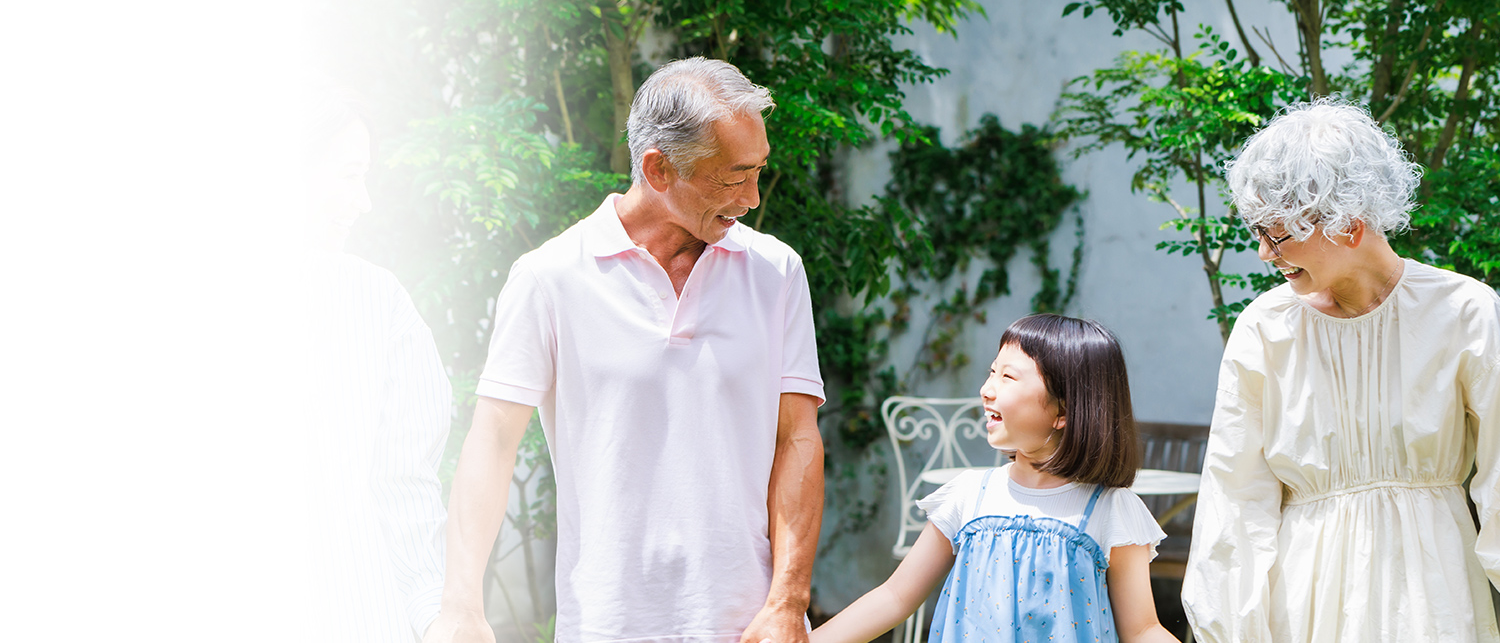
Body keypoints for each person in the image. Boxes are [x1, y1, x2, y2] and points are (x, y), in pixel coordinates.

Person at [428, 57, 826, 643]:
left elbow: (797, 437)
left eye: (759, 170)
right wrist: (461, 604)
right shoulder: (550, 277)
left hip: (750, 626)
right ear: (659, 169)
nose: (752, 196)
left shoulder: (776, 271)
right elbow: (493, 439)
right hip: (606, 623)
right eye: (733, 176)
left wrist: (789, 600)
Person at [1183, 98, 1500, 642]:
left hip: (1432, 595)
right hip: (1305, 601)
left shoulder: (1464, 311)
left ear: (1347, 223)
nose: (1262, 253)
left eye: (1277, 235)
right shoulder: (1265, 328)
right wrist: (1225, 627)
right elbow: (1235, 498)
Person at [811, 314, 1182, 643]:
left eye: (1007, 377)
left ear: (1064, 411)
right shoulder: (969, 495)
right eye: (991, 372)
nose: (986, 389)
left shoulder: (1110, 510)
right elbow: (895, 596)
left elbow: (1142, 629)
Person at [303, 94, 452, 642]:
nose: (362, 202)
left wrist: (437, 615)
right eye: (348, 175)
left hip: (356, 615)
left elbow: (404, 484)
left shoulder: (375, 302)